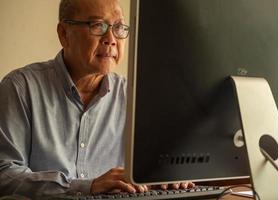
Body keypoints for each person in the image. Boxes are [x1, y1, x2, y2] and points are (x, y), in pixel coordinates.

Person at [0, 0, 195, 198]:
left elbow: (155, 167)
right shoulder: (20, 88)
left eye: (118, 27)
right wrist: (87, 186)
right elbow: (4, 174)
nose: (111, 39)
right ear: (64, 34)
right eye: (98, 25)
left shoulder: (135, 97)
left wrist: (166, 177)